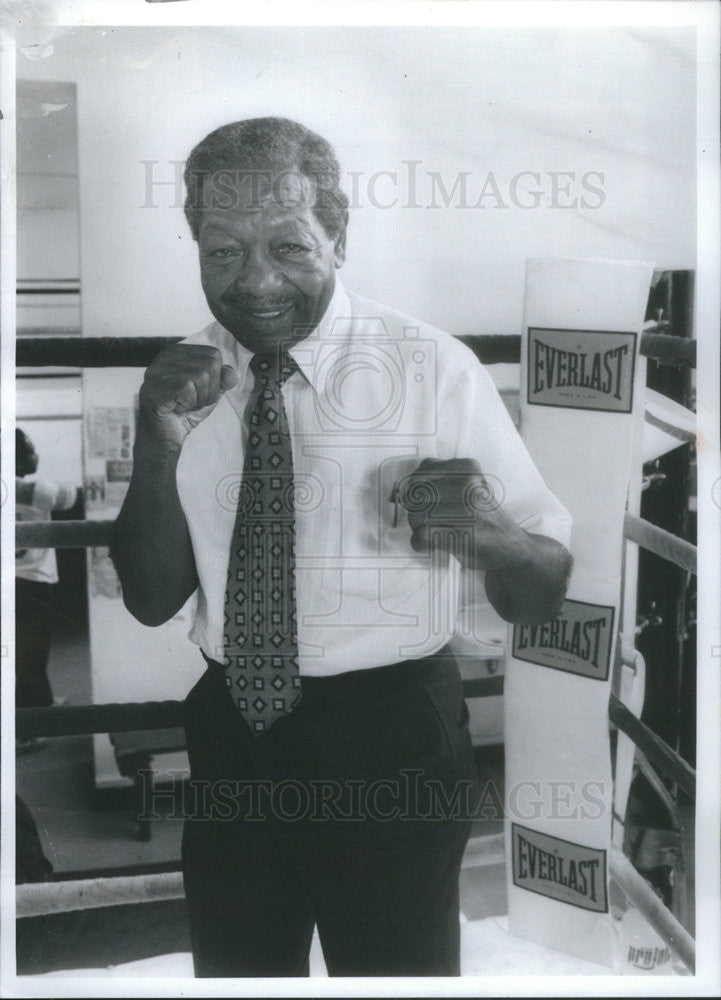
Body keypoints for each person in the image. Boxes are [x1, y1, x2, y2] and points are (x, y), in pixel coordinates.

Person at [112, 117, 573, 978]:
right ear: (195, 246)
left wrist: (491, 534)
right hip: (232, 737)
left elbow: (541, 590)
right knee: (239, 975)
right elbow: (147, 597)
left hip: (390, 736)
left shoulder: (431, 368)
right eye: (221, 251)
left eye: (288, 247)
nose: (254, 284)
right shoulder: (183, 382)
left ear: (339, 234)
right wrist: (157, 437)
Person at [15, 429, 77, 744]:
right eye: (30, 450)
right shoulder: (40, 490)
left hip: (15, 581)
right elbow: (71, 497)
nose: (35, 455)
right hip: (31, 581)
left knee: (28, 651)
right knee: (31, 653)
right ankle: (28, 730)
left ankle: (44, 705)